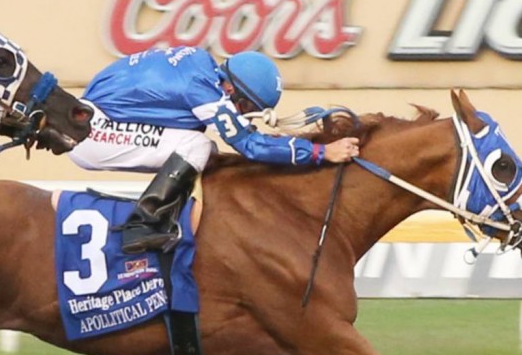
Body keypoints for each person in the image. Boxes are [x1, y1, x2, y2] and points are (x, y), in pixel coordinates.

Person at [68, 46, 360, 254]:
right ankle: (143, 225)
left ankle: (165, 218)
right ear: (232, 89)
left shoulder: (202, 63)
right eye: (246, 107)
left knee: (204, 148)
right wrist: (321, 153)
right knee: (196, 146)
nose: (244, 114)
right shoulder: (202, 89)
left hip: (95, 116)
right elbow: (251, 147)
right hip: (93, 135)